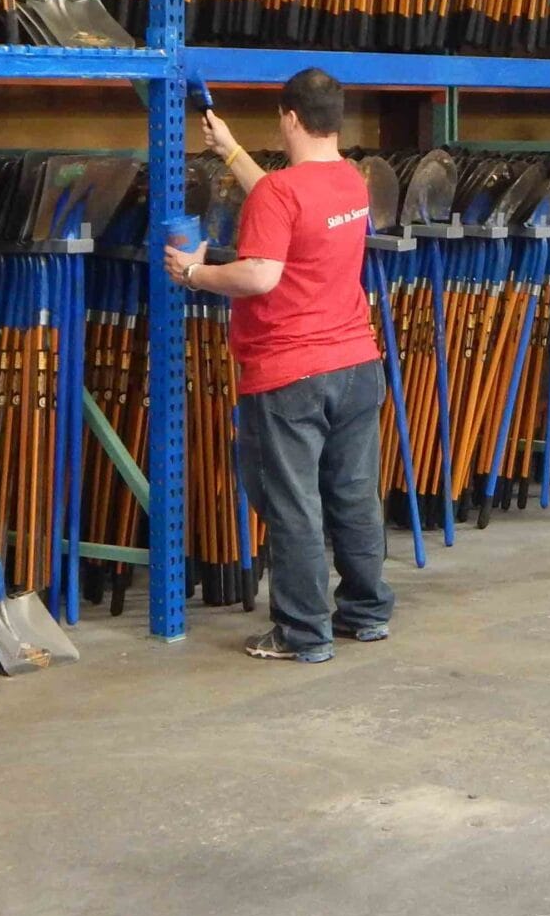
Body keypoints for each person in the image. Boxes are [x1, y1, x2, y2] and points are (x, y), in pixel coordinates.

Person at [162, 68, 392, 664]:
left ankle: (302, 633)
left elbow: (260, 272)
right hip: (357, 366)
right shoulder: (351, 182)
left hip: (290, 374)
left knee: (292, 505)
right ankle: (366, 614)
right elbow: (290, 206)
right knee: (353, 495)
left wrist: (194, 273)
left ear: (288, 117)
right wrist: (231, 151)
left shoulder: (280, 194)